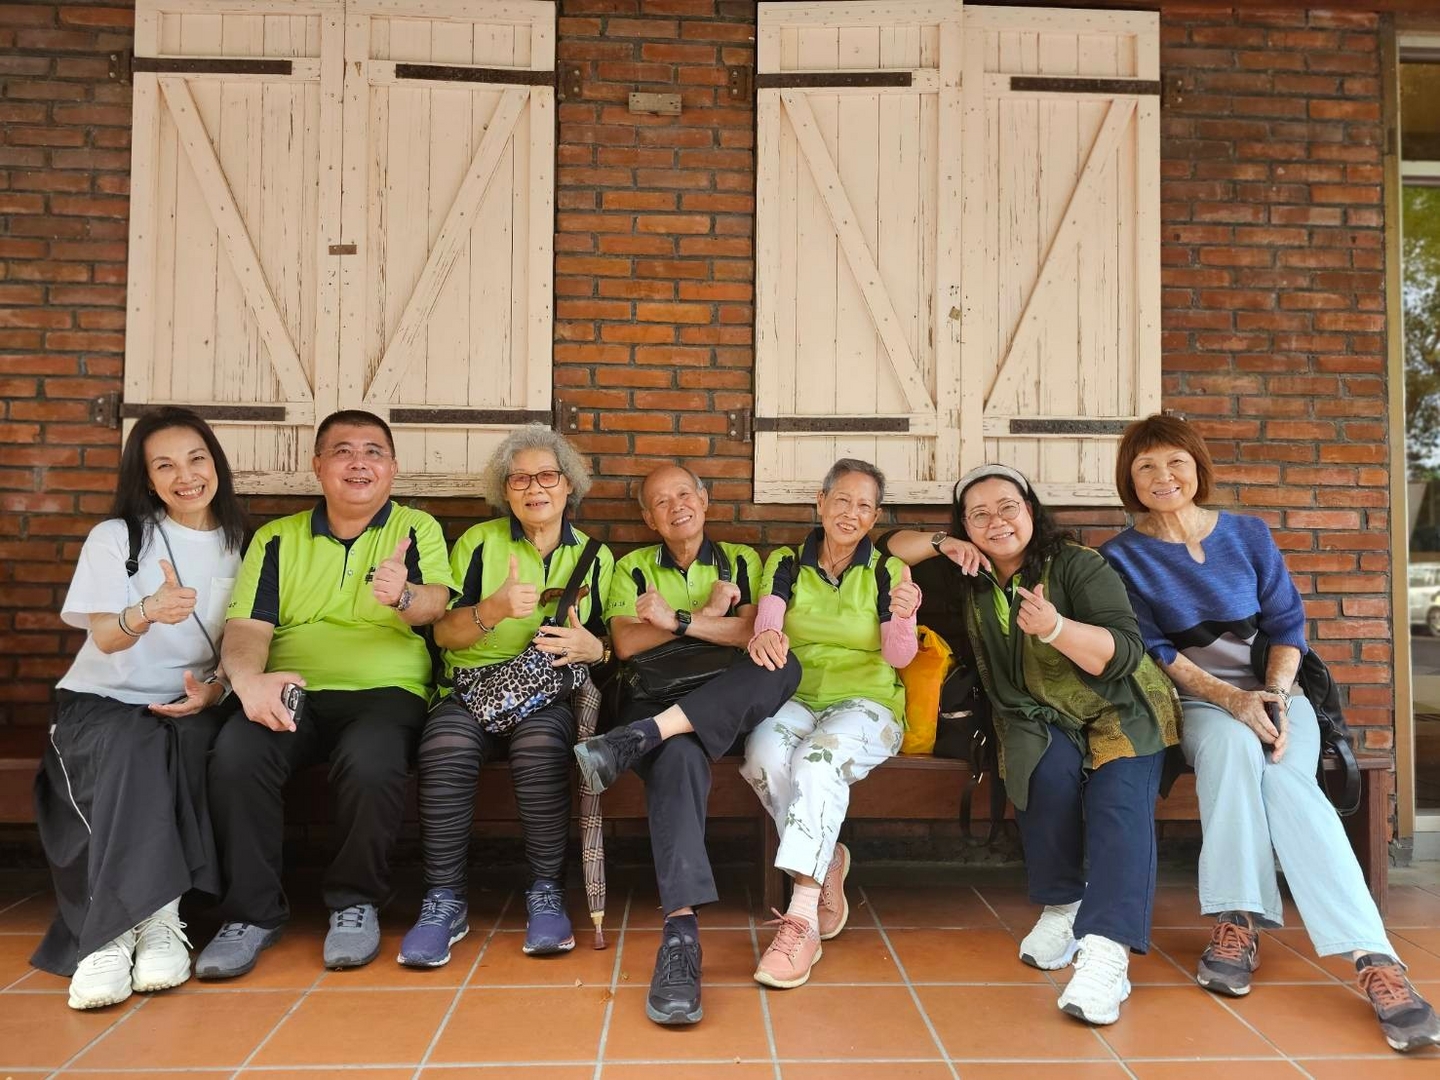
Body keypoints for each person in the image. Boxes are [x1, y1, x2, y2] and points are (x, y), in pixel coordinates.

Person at [1101, 414, 1440, 1053]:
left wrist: (1274, 697)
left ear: (1197, 468)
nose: (1162, 476)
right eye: (1145, 466)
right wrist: (1232, 699)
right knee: (1232, 750)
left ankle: (1375, 958)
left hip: (1280, 692)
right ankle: (1239, 921)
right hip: (1197, 701)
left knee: (1286, 782)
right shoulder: (1119, 557)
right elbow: (1154, 651)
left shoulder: (1248, 534)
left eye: (1175, 462)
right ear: (1130, 480)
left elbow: (1287, 626)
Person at [885, 463, 1181, 1026]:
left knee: (1119, 804)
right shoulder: (966, 572)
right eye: (978, 515)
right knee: (1042, 772)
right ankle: (1063, 904)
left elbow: (1123, 651)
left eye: (1008, 507)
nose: (996, 522)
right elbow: (888, 546)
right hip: (1036, 714)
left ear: (1030, 510)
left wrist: (1054, 628)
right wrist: (944, 543)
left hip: (1118, 709)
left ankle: (1107, 953)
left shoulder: (1078, 565)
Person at [197, 410, 455, 979]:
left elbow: (437, 606)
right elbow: (247, 628)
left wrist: (404, 595)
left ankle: (354, 902)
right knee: (236, 756)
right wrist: (247, 683)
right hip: (292, 685)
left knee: (373, 763)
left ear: (392, 468)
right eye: (343, 451)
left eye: (373, 451)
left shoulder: (416, 528)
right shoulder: (277, 538)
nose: (359, 462)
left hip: (386, 688)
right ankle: (252, 914)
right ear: (318, 466)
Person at [32, 407, 248, 1009]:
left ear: (216, 464)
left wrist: (217, 690)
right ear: (147, 479)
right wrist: (148, 610)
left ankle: (153, 925)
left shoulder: (245, 544)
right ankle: (123, 933)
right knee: (138, 744)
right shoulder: (118, 538)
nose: (186, 476)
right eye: (165, 466)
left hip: (193, 701)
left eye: (197, 459)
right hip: (102, 702)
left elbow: (250, 640)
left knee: (177, 743)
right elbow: (104, 637)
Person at [572, 464, 801, 1026]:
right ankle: (680, 937)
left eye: (684, 493)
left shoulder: (741, 561)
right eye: (660, 501)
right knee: (676, 754)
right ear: (648, 518)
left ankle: (636, 741)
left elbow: (751, 634)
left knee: (783, 663)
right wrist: (709, 617)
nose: (675, 506)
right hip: (654, 697)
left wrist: (675, 620)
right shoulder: (631, 566)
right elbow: (627, 642)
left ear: (704, 500)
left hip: (720, 698)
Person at [398, 425, 613, 967]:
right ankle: (444, 899)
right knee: (445, 747)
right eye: (520, 479)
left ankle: (546, 892)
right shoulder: (478, 543)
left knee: (541, 749)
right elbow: (444, 636)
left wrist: (595, 648)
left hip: (545, 694)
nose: (534, 488)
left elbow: (612, 642)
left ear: (569, 485)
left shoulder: (597, 556)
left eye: (547, 476)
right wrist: (492, 609)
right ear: (505, 490)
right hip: (468, 688)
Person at [739, 458, 919, 990]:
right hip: (796, 694)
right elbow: (769, 621)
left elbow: (899, 656)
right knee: (762, 753)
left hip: (867, 703)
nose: (850, 513)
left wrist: (904, 616)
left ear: (875, 517)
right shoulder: (786, 562)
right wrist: (765, 636)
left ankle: (801, 921)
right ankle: (828, 855)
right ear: (820, 503)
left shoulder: (888, 571)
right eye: (841, 500)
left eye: (864, 506)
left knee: (815, 762)